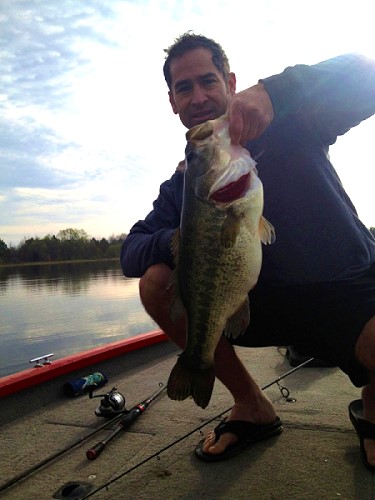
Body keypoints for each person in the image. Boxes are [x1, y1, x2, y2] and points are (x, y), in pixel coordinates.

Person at [121, 33, 375, 467]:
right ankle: (251, 404)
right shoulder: (188, 182)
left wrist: (276, 91)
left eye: (208, 81)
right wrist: (181, 238)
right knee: (156, 283)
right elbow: (131, 251)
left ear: (231, 82)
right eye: (185, 88)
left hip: (344, 290)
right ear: (172, 102)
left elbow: (366, 75)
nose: (198, 96)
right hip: (247, 305)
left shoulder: (293, 119)